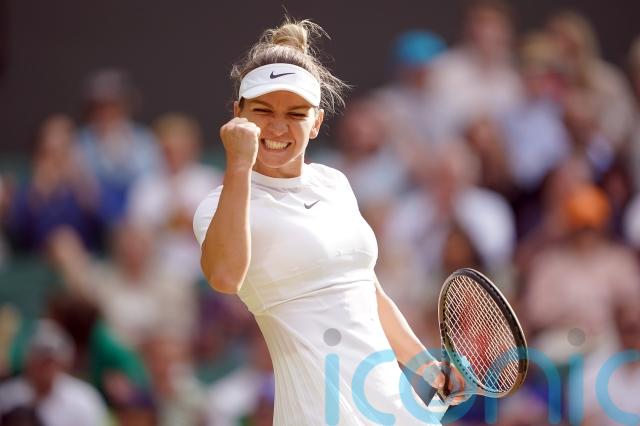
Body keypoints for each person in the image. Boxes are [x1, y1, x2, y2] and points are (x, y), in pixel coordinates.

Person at [193, 18, 463, 425]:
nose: (278, 126)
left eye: (295, 113)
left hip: (394, 407)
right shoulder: (219, 205)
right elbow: (225, 277)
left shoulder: (334, 183)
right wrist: (238, 165)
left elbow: (369, 294)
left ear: (316, 122)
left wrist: (428, 368)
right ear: (237, 115)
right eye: (262, 111)